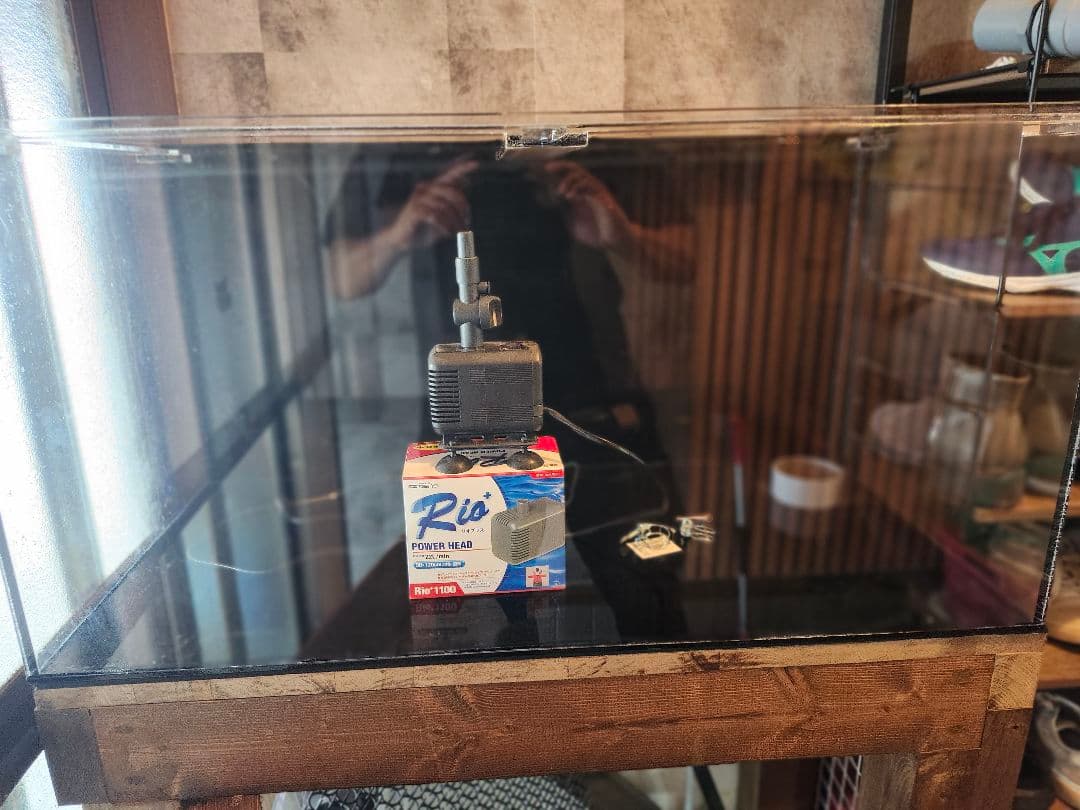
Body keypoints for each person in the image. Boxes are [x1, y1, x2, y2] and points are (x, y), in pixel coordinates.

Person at [324, 142, 693, 529]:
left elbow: (686, 258)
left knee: (639, 550)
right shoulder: (412, 141)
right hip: (461, 399)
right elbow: (343, 278)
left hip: (592, 392)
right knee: (473, 555)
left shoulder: (592, 135)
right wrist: (396, 235)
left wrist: (624, 235)